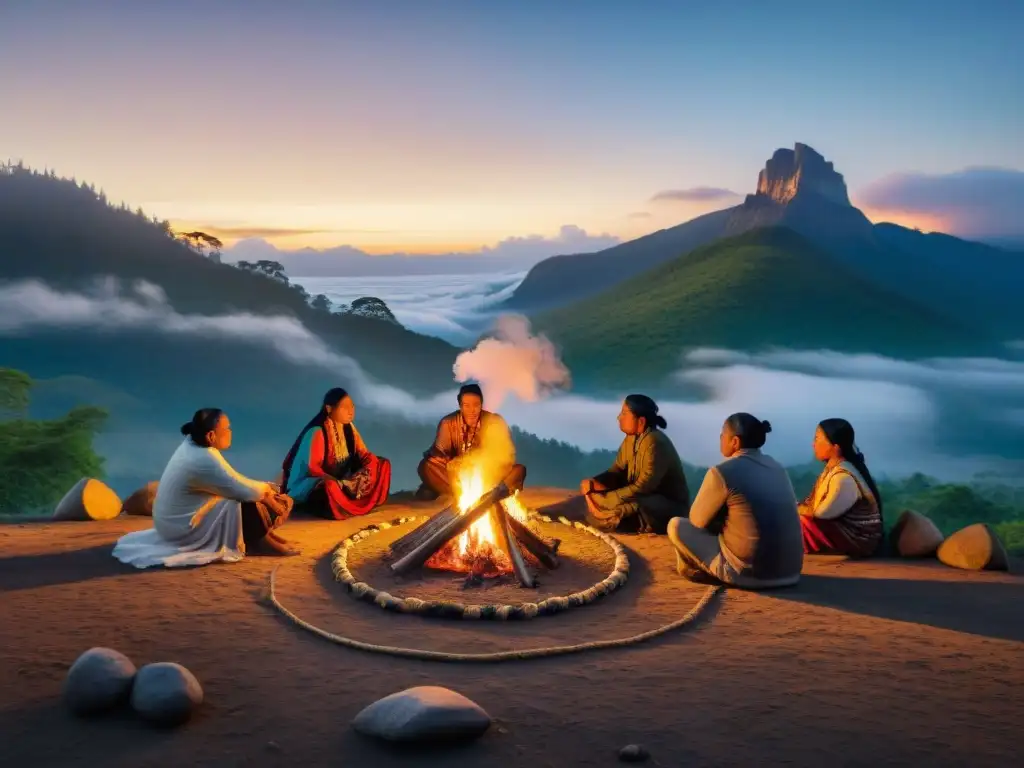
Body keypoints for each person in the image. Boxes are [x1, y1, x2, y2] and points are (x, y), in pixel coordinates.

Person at [113, 409, 297, 569]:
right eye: (227, 429)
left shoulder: (194, 448)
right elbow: (241, 489)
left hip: (171, 524)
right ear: (211, 436)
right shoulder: (203, 458)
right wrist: (268, 492)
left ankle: (264, 536)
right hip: (183, 528)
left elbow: (234, 480)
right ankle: (260, 542)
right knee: (244, 501)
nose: (231, 432)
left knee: (245, 495)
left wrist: (265, 488)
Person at [668, 413, 803, 589]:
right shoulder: (777, 467)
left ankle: (698, 571)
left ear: (735, 442)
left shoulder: (722, 471)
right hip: (790, 572)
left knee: (676, 526)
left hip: (747, 574)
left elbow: (697, 521)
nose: (720, 438)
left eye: (723, 434)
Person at [580, 395, 690, 534]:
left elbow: (643, 487)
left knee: (625, 508)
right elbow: (617, 470)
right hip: (638, 496)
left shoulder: (654, 442)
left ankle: (629, 521)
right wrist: (595, 482)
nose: (619, 418)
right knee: (595, 495)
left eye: (625, 413)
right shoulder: (630, 439)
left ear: (641, 421)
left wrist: (609, 499)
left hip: (663, 505)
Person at [281, 387, 391, 519]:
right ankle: (342, 506)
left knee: (383, 464)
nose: (351, 411)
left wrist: (371, 464)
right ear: (329, 409)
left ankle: (356, 499)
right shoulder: (318, 431)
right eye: (345, 407)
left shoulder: (349, 428)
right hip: (314, 483)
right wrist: (339, 483)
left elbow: (363, 454)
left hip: (343, 481)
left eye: (352, 406)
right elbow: (313, 468)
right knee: (329, 486)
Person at [414, 383, 526, 501]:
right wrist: (454, 464)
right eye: (466, 406)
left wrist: (473, 461)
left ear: (481, 404)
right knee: (427, 466)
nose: (471, 411)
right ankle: (462, 495)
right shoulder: (448, 423)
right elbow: (437, 456)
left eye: (476, 405)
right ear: (460, 406)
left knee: (518, 471)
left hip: (488, 476)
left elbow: (506, 456)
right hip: (456, 478)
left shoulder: (494, 421)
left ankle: (444, 491)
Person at [798, 418, 884, 558]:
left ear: (835, 447)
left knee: (798, 522)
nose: (813, 444)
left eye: (817, 438)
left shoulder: (843, 477)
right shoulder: (832, 470)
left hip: (859, 540)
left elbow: (822, 513)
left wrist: (796, 509)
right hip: (843, 533)